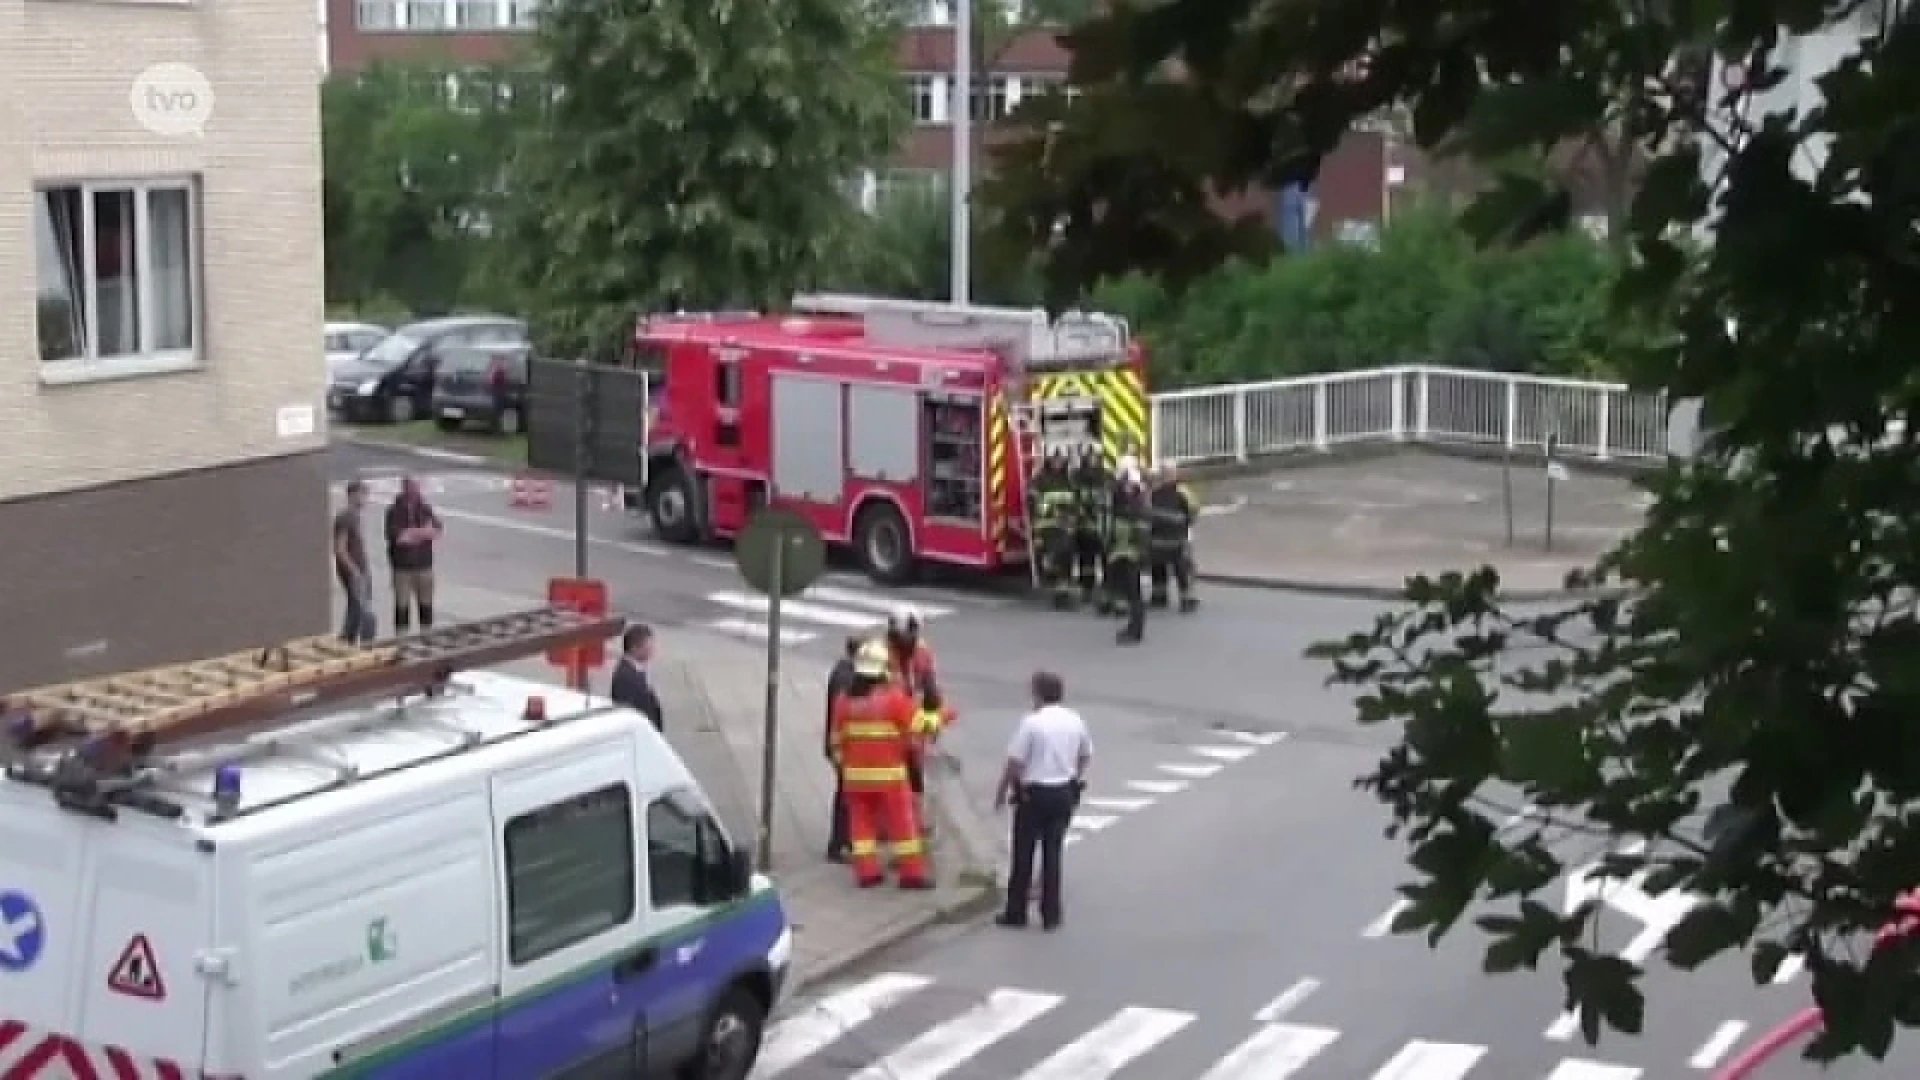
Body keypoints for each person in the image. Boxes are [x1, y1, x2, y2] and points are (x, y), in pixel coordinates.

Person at [828, 640, 932, 889]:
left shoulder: (844, 702)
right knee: (903, 826)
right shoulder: (893, 700)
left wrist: (845, 767)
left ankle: (867, 873)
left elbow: (836, 741)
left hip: (855, 778)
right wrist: (943, 716)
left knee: (861, 828)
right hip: (890, 778)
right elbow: (920, 725)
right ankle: (912, 875)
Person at [995, 670, 1091, 930]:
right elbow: (1085, 755)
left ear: (1038, 694)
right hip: (1063, 793)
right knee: (1053, 853)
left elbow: (1015, 762)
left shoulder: (1032, 723)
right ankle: (1051, 915)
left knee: (1023, 854)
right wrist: (1074, 779)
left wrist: (1002, 791)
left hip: (1034, 795)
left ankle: (1016, 913)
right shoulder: (1075, 720)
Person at [384, 476, 443, 634]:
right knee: (402, 605)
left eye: (417, 487)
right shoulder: (393, 511)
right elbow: (400, 538)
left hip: (424, 566)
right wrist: (422, 533)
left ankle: (426, 635)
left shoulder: (425, 508)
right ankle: (401, 639)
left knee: (426, 604)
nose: (416, 491)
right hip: (402, 568)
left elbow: (436, 531)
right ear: (405, 488)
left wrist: (414, 533)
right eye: (412, 487)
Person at [825, 636, 862, 862]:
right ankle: (837, 845)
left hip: (840, 744)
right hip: (842, 746)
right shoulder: (845, 677)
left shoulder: (843, 671)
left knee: (847, 794)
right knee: (845, 795)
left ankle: (845, 839)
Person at [1105, 466, 1151, 645]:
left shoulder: (1138, 505)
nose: (1125, 487)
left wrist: (1138, 553)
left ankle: (1135, 631)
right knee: (1128, 593)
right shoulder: (1124, 502)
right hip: (1122, 554)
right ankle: (1132, 627)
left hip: (1133, 555)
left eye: (1128, 484)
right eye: (1123, 484)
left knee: (1135, 594)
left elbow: (1141, 532)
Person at [1029, 449, 1079, 609]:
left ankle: (1063, 595)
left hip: (1064, 527)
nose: (1058, 463)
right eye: (1055, 460)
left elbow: (1074, 503)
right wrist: (1051, 511)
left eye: (1060, 460)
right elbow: (1033, 502)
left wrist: (1072, 517)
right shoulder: (1041, 480)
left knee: (1067, 556)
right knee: (1055, 557)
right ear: (1049, 461)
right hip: (1047, 527)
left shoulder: (1068, 481)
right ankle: (1058, 593)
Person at [1146, 463, 1201, 613]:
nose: (1166, 476)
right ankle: (1160, 596)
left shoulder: (1182, 492)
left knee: (1181, 568)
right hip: (1160, 538)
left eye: (1169, 473)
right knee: (1159, 567)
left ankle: (1186, 598)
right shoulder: (1154, 492)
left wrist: (1186, 525)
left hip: (1176, 538)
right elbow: (1147, 511)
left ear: (1175, 474)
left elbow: (1193, 510)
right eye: (1164, 473)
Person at [333, 480, 377, 644]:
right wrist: (354, 571)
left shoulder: (357, 517)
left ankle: (347, 640)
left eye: (366, 494)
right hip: (354, 571)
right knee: (367, 613)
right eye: (362, 494)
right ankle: (368, 644)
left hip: (361, 569)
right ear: (352, 495)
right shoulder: (346, 517)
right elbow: (340, 549)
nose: (365, 499)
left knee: (355, 609)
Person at [1068, 443, 1110, 607]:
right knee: (1086, 561)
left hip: (1103, 527)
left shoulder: (1107, 476)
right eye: (1089, 456)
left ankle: (1107, 589)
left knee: (1106, 559)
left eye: (1095, 457)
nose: (1092, 459)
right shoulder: (1076, 477)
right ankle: (1087, 589)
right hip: (1084, 527)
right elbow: (1072, 498)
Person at [609, 624, 663, 731]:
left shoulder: (636, 671)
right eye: (648, 647)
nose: (652, 651)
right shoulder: (626, 678)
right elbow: (629, 712)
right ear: (634, 648)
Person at [884, 606, 938, 699]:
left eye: (914, 629)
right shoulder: (881, 651)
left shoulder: (923, 653)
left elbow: (931, 688)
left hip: (908, 705)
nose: (914, 634)